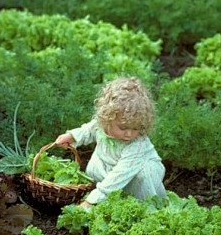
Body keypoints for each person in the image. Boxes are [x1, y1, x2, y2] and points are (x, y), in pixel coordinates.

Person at [56, 76, 166, 208]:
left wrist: (91, 202)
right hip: (110, 165)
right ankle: (109, 194)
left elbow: (120, 174)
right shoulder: (103, 125)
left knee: (142, 177)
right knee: (93, 168)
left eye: (136, 128)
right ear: (108, 118)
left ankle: (144, 205)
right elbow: (88, 130)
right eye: (123, 128)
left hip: (134, 170)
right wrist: (72, 136)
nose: (129, 134)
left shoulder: (138, 144)